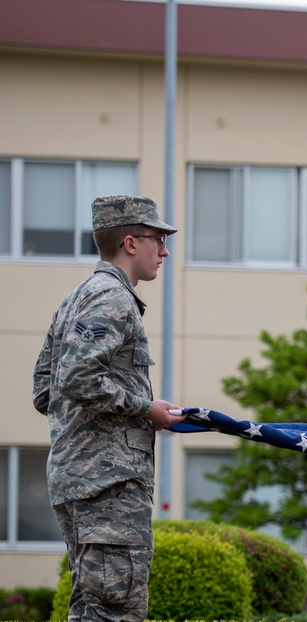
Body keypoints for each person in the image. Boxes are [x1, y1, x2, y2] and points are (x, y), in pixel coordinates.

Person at [32, 195, 188, 621]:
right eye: (158, 239)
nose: (165, 251)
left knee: (92, 607)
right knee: (115, 610)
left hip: (81, 481)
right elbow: (74, 379)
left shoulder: (76, 299)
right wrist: (144, 409)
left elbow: (45, 391)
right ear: (130, 243)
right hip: (109, 486)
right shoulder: (113, 299)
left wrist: (87, 426)